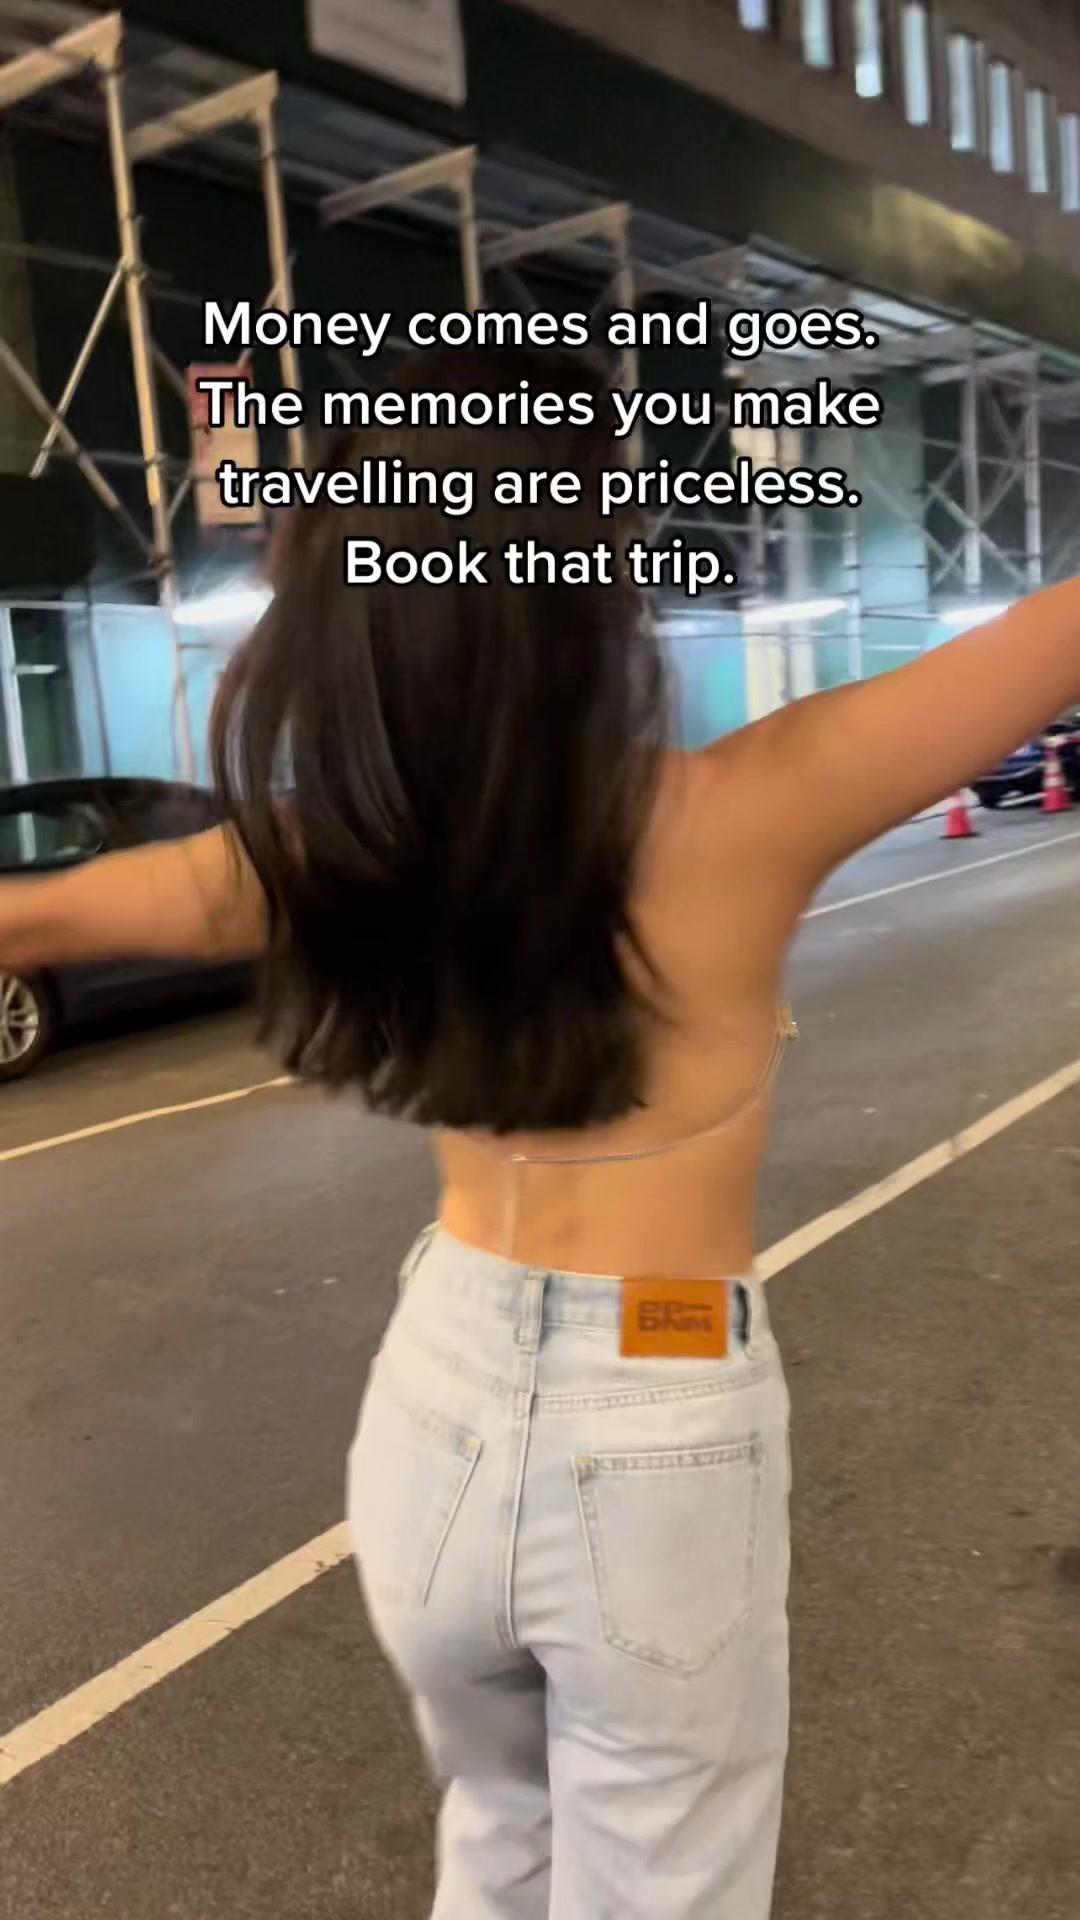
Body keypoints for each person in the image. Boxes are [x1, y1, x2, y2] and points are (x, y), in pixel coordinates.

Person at [3, 343, 1079, 1920]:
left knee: (498, 1834)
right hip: (659, 1413)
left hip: (432, 1402)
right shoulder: (756, 805)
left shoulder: (334, 860)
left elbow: (30, 915)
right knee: (665, 1880)